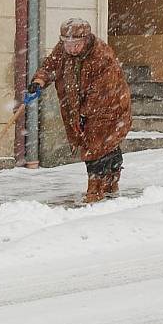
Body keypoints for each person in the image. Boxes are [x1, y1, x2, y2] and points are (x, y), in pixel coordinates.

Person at [28, 18, 132, 204]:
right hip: (83, 107)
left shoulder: (101, 56)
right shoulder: (63, 50)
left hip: (110, 107)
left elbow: (102, 92)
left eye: (76, 44)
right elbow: (50, 66)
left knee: (95, 145)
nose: (71, 48)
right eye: (67, 44)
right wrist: (39, 82)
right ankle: (111, 182)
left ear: (86, 39)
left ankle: (95, 190)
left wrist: (85, 113)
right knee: (106, 145)